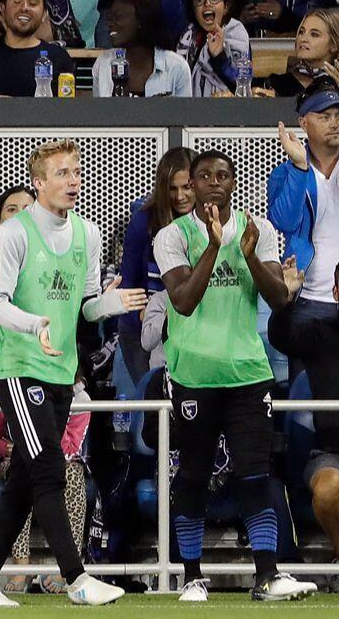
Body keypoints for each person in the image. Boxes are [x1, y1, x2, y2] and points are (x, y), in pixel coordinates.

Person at [0, 139, 145, 607]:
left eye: (76, 171)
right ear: (38, 182)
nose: (73, 181)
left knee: (25, 480)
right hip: (20, 368)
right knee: (48, 468)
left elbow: (85, 308)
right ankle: (76, 578)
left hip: (63, 371)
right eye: (62, 173)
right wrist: (36, 323)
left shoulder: (88, 232)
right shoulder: (12, 234)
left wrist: (111, 303)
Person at [153, 149, 316, 602]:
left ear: (232, 182)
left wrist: (245, 255)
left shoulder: (256, 229)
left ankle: (267, 576)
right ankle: (192, 577)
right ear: (194, 183)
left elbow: (280, 299)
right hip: (194, 374)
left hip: (247, 372)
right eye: (203, 176)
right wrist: (212, 243)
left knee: (253, 474)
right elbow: (183, 300)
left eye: (222, 176)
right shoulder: (172, 236)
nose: (213, 183)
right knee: (193, 476)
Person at [267, 78, 339, 514]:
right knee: (308, 410)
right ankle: (309, 495)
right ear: (304, 122)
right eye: (325, 116)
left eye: (338, 115)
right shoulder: (287, 171)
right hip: (308, 305)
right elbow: (283, 217)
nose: (334, 123)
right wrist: (297, 169)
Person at [0, 384, 90, 594]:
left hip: (63, 460)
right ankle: (21, 564)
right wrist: (3, 447)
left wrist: (49, 441)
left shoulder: (78, 397)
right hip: (19, 456)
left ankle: (70, 570)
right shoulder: (22, 388)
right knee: (29, 479)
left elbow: (73, 445)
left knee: (70, 475)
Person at [280, 260, 339, 592]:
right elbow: (281, 336)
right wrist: (286, 300)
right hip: (330, 452)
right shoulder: (320, 331)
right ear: (335, 292)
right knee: (330, 490)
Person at [117, 147, 197, 382]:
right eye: (172, 188)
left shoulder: (209, 219)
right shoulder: (144, 219)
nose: (180, 196)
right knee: (150, 402)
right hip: (142, 327)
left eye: (187, 187)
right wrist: (138, 314)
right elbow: (129, 278)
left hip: (192, 326)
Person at [93, 0, 191, 97]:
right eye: (110, 17)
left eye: (119, 16)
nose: (110, 23)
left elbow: (184, 113)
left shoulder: (176, 67)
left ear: (141, 21)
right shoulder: (103, 64)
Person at [171, 0, 251, 97]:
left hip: (225, 110)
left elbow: (241, 85)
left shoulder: (235, 31)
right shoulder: (188, 34)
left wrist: (219, 57)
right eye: (199, 0)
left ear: (226, 7)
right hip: (187, 110)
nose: (207, 4)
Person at [256, 9, 339, 98]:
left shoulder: (336, 83)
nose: (303, 39)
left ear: (334, 45)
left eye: (314, 34)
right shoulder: (275, 83)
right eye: (301, 32)